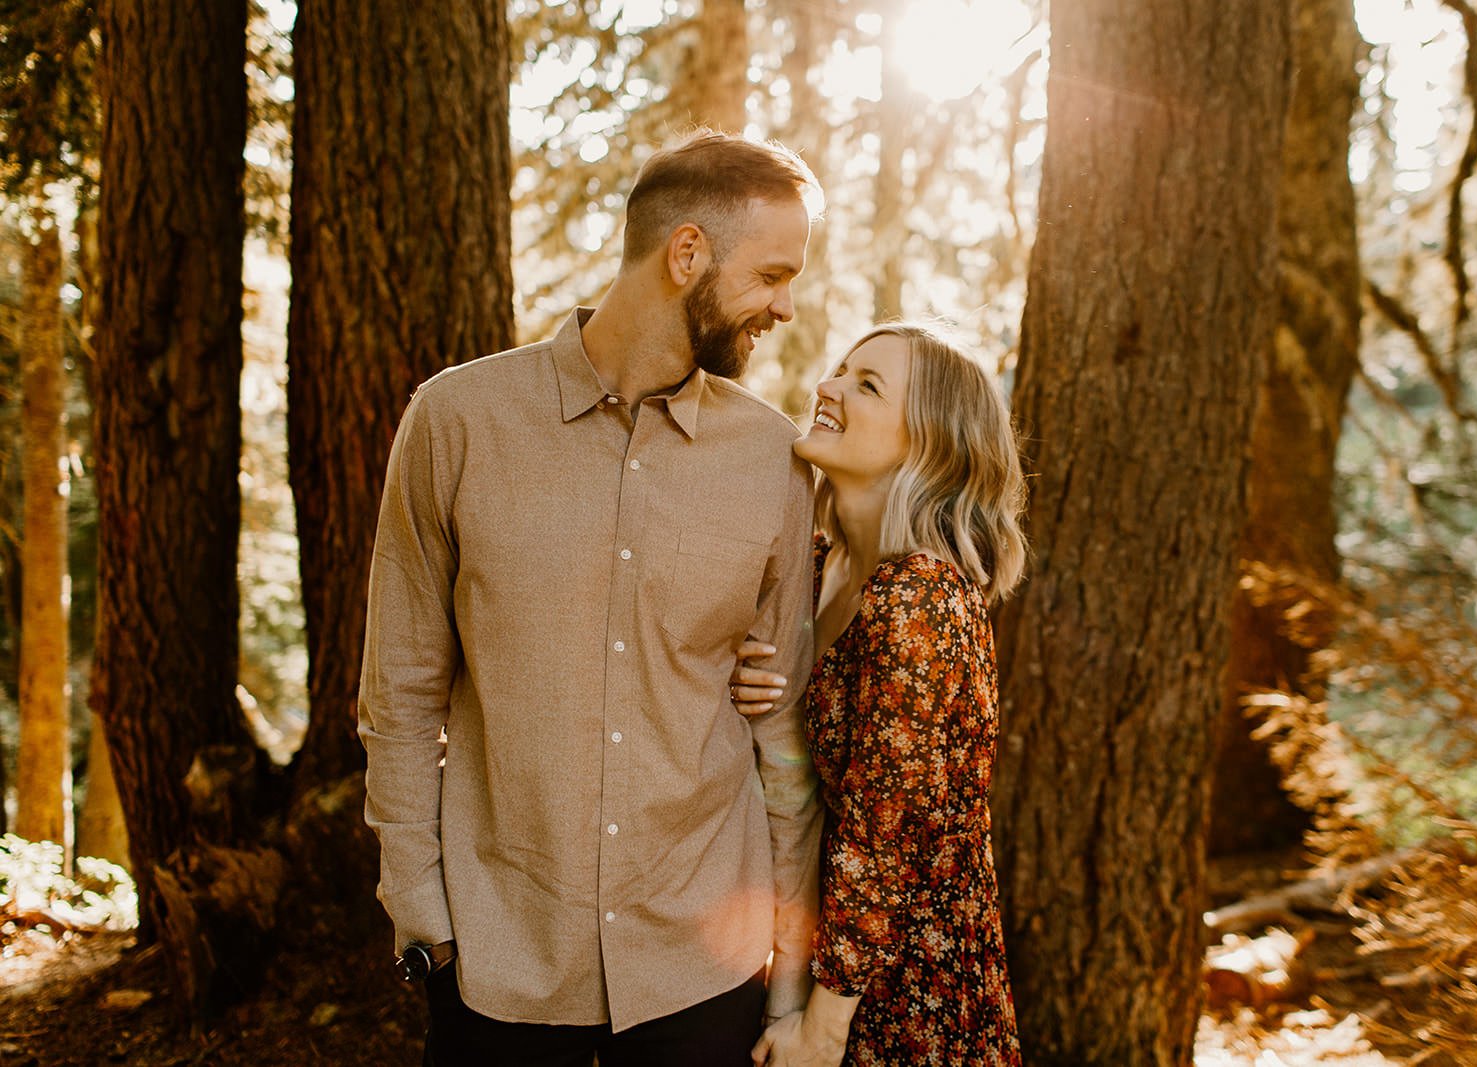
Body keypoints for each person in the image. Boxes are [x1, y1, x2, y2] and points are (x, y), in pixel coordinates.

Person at [357, 130, 825, 1066]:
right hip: (499, 953)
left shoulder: (774, 458)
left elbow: (784, 738)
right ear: (686, 253)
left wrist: (786, 975)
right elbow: (400, 689)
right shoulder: (456, 422)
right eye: (772, 274)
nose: (784, 305)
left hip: (703, 962)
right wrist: (423, 909)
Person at [732, 323, 1027, 1066]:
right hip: (835, 960)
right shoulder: (824, 565)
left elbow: (882, 838)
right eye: (840, 370)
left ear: (930, 444)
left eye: (867, 386)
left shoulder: (918, 596)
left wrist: (822, 1030)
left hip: (904, 992)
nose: (827, 389)